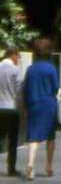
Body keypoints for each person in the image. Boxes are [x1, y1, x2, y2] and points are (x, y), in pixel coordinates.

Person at [22, 37, 58, 180]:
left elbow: (25, 89)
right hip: (48, 104)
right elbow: (56, 87)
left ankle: (30, 163)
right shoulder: (51, 68)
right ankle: (49, 166)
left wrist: (25, 106)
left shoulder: (30, 69)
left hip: (33, 104)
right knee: (51, 136)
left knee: (34, 136)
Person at [0, 47, 22, 177]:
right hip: (11, 107)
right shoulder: (15, 70)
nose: (18, 60)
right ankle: (11, 168)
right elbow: (19, 88)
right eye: (18, 57)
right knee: (12, 140)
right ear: (12, 55)